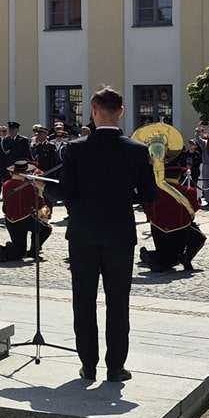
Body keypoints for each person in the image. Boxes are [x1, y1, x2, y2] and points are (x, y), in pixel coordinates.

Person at [54, 86, 157, 382]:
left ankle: (88, 365)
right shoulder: (138, 150)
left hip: (84, 233)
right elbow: (149, 195)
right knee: (118, 302)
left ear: (93, 112)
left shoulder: (75, 148)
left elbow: (65, 194)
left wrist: (43, 187)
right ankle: (116, 367)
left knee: (83, 301)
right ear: (121, 112)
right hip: (119, 233)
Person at [140, 166, 205, 272]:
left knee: (165, 252)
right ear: (179, 175)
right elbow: (195, 207)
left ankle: (151, 255)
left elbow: (147, 208)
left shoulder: (155, 190)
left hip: (158, 227)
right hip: (180, 227)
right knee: (199, 238)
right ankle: (186, 257)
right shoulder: (188, 191)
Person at [0, 160, 52, 262]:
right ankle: (34, 251)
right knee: (45, 229)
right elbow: (37, 203)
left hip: (10, 220)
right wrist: (39, 190)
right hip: (25, 219)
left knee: (19, 252)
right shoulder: (28, 186)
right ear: (25, 173)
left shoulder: (6, 184)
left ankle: (6, 250)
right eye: (29, 172)